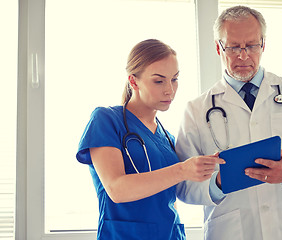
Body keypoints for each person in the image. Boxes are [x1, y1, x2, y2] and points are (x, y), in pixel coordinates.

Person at [176, 5, 282, 240]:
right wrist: (219, 182)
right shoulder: (196, 110)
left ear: (263, 44)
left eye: (251, 45)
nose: (243, 55)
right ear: (218, 47)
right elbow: (183, 185)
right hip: (230, 231)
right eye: (233, 47)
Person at [76, 39, 224, 240]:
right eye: (159, 81)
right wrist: (183, 170)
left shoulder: (168, 138)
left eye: (174, 79)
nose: (169, 90)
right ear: (134, 81)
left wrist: (216, 176)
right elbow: (116, 189)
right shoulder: (106, 120)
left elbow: (181, 190)